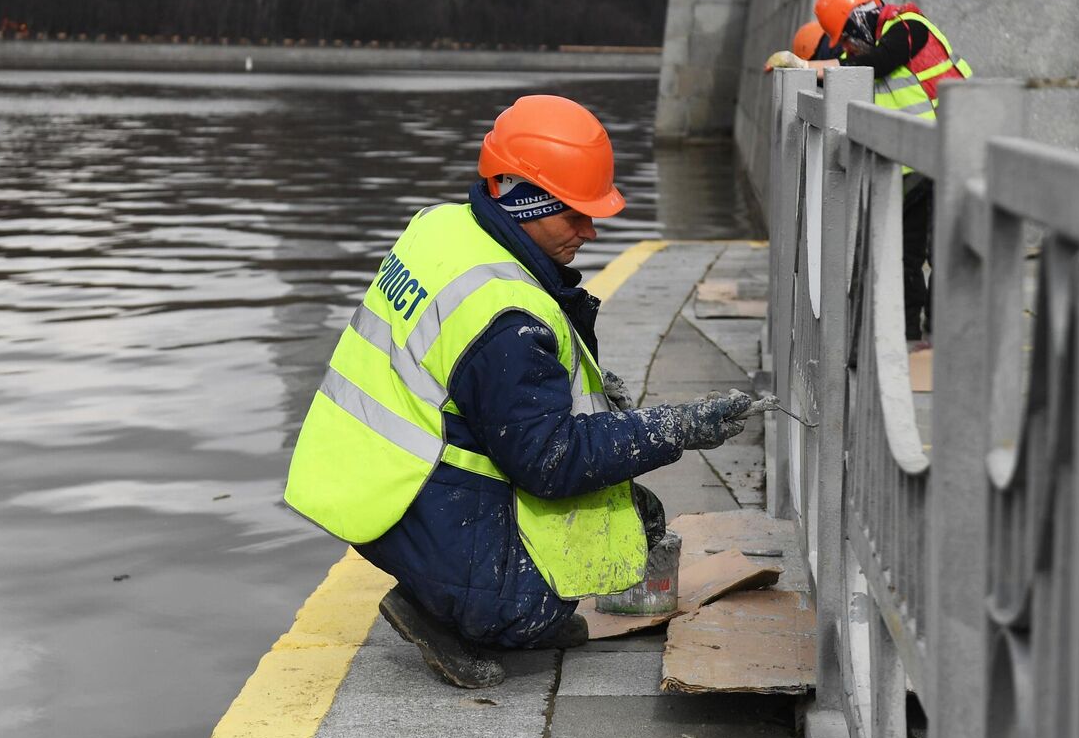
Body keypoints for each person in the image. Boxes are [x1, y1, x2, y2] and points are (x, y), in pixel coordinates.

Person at [283, 94, 755, 688]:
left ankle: (447, 580)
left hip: (373, 476)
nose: (589, 230)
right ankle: (449, 610)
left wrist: (586, 392)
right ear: (527, 200)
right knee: (541, 604)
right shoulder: (507, 313)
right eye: (574, 214)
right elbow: (551, 461)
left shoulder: (444, 228)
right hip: (413, 497)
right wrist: (675, 430)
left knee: (634, 517)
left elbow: (469, 378)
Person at [806, 0, 972, 346]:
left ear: (859, 20)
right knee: (905, 256)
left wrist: (815, 66)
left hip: (949, 152)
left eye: (847, 37)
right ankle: (910, 338)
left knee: (943, 251)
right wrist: (803, 71)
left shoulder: (908, 27)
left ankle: (944, 337)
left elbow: (878, 64)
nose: (848, 46)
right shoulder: (878, 47)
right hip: (913, 163)